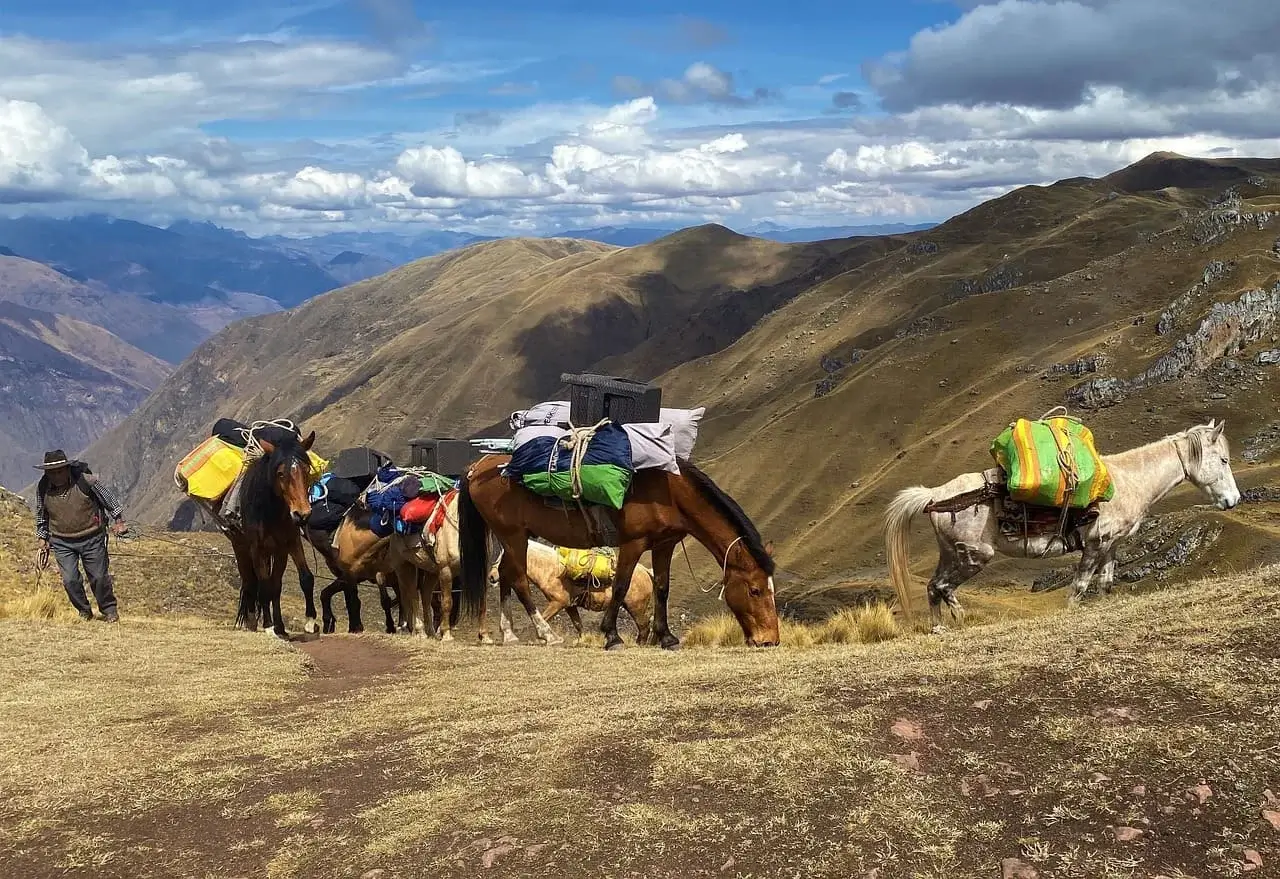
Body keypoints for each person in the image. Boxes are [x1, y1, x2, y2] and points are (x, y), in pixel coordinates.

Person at [34, 450, 128, 622]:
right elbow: (42, 514)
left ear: (67, 468)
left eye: (60, 471)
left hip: (91, 536)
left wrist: (119, 520)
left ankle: (109, 610)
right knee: (70, 580)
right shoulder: (43, 487)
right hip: (62, 541)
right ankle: (84, 611)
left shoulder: (85, 480)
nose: (56, 475)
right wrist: (43, 537)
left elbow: (109, 499)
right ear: (47, 472)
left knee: (99, 577)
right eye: (52, 472)